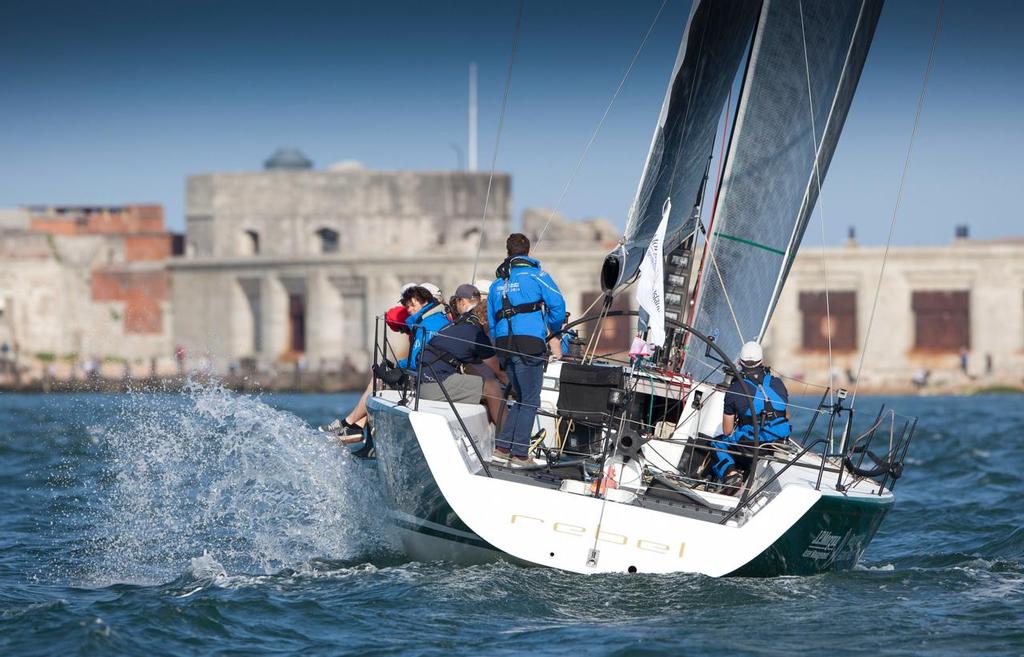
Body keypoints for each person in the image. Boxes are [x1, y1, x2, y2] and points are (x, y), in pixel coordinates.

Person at [488, 233, 566, 463]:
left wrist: (499, 344)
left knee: (521, 397)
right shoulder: (538, 276)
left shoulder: (496, 284)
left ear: (508, 252)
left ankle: (502, 448)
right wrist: (551, 328)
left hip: (504, 346)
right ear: (528, 252)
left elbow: (492, 322)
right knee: (531, 399)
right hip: (529, 343)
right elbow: (558, 306)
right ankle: (520, 454)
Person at [709, 341, 792, 493]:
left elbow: (728, 431)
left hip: (756, 445)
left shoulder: (735, 389)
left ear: (740, 362)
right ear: (762, 361)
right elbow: (786, 415)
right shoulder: (778, 383)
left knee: (717, 443)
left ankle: (731, 474)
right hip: (779, 441)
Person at [400, 285, 482, 404]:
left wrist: (398, 365)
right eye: (407, 306)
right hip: (439, 374)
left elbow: (417, 360)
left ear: (425, 303)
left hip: (435, 379)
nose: (409, 310)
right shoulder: (430, 319)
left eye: (413, 305)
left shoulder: (428, 324)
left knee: (491, 388)